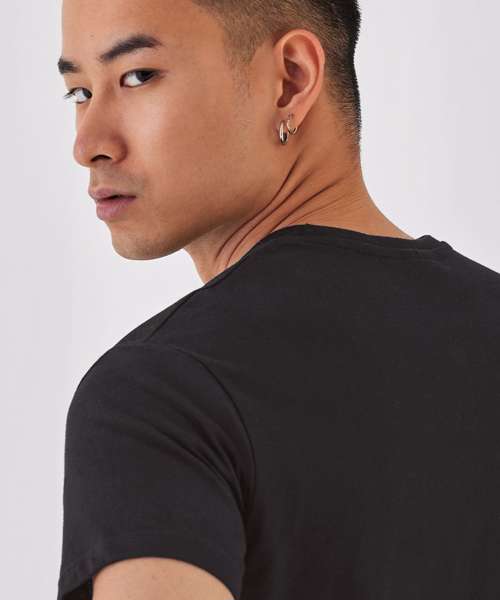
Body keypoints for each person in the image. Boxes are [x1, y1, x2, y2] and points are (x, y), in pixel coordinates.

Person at [56, 0, 500, 599]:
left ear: (290, 80)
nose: (88, 144)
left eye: (138, 76)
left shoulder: (162, 395)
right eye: (79, 92)